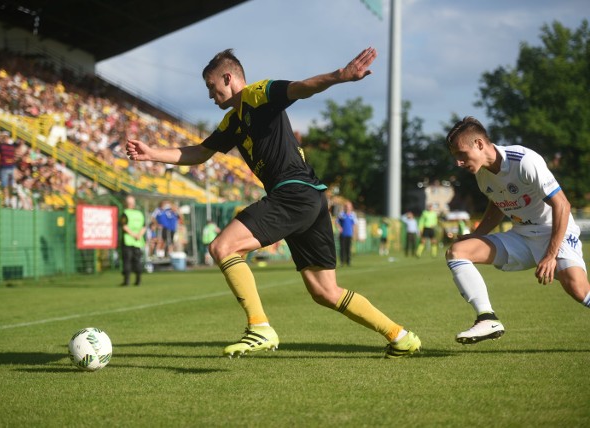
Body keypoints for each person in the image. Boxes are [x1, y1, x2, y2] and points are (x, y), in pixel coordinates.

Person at [126, 47, 421, 358]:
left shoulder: (258, 94)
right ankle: (400, 336)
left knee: (222, 248)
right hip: (310, 197)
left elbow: (300, 88)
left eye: (212, 87)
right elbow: (199, 153)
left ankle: (259, 327)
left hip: (293, 192)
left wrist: (339, 77)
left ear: (228, 78)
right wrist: (152, 153)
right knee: (325, 292)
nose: (211, 96)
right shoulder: (232, 122)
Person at [445, 116, 590, 344]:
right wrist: (476, 235)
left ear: (480, 144)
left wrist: (551, 255)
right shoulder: (482, 175)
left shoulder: (524, 161)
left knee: (578, 290)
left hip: (554, 232)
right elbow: (497, 205)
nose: (459, 163)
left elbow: (562, 204)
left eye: (461, 154)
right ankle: (487, 318)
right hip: (521, 236)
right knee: (458, 251)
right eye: (455, 157)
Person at [120, 195, 146, 286]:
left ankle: (127, 281)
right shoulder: (139, 213)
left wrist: (133, 235)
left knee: (127, 261)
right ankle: (138, 280)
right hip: (138, 241)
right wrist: (138, 235)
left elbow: (124, 226)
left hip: (128, 240)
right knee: (137, 260)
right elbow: (144, 226)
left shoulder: (125, 213)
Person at [336, 201, 357, 266]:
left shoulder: (352, 215)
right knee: (342, 248)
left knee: (348, 248)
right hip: (342, 234)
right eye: (346, 206)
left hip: (349, 234)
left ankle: (348, 261)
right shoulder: (341, 214)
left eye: (349, 207)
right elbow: (336, 222)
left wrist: (354, 233)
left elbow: (354, 224)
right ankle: (342, 261)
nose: (348, 208)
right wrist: (339, 228)